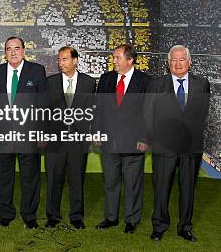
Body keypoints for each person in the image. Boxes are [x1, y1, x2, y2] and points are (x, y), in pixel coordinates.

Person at [145, 45, 210, 242]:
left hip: (191, 146)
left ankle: (185, 227)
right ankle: (159, 225)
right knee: (161, 187)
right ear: (168, 63)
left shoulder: (203, 84)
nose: (178, 63)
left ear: (189, 62)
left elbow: (202, 114)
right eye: (174, 59)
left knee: (188, 188)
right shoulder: (157, 85)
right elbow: (148, 114)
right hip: (164, 146)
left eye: (182, 59)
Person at [0, 36, 49, 229]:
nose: (13, 52)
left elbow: (43, 105)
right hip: (2, 135)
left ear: (24, 50)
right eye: (8, 49)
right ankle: (5, 214)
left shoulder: (37, 71)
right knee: (3, 176)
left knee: (30, 177)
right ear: (4, 53)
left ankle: (29, 216)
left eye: (16, 48)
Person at [94, 44, 151, 234]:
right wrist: (96, 132)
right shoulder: (106, 79)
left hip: (134, 142)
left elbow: (149, 112)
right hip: (109, 141)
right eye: (113, 57)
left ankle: (132, 220)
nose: (114, 61)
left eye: (117, 58)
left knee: (133, 183)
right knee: (111, 182)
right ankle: (110, 218)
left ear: (130, 60)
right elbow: (98, 109)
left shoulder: (145, 81)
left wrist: (145, 137)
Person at [44, 46, 96, 229]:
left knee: (77, 179)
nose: (61, 63)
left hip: (78, 140)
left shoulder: (89, 83)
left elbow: (92, 111)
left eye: (65, 59)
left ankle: (76, 217)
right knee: (53, 180)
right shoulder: (50, 82)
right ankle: (52, 216)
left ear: (75, 60)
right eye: (59, 59)